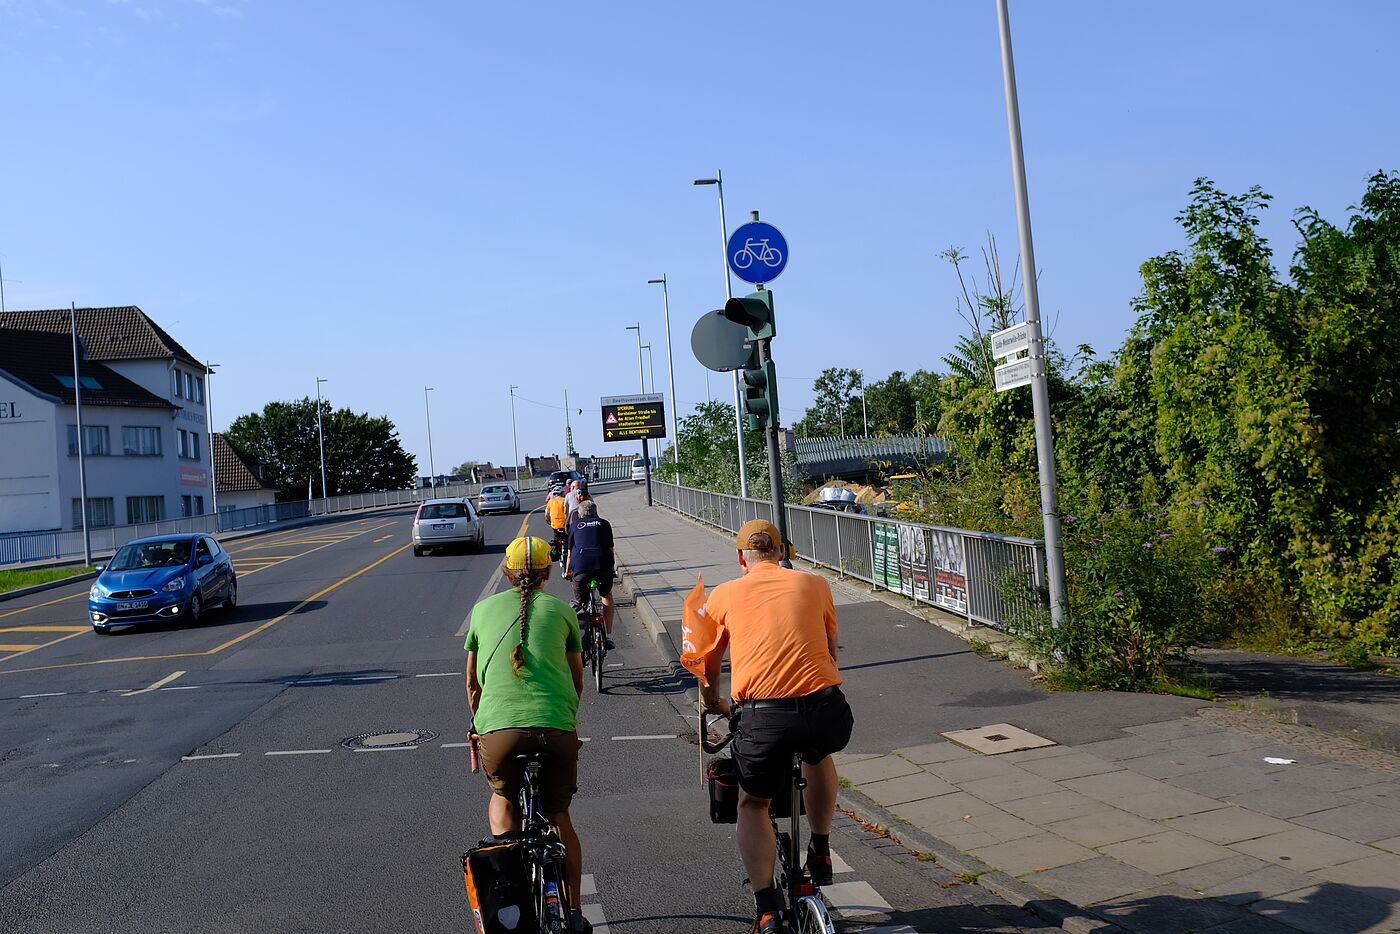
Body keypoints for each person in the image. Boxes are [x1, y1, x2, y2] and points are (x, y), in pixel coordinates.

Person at [697, 519, 854, 934]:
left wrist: (713, 701)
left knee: (752, 804)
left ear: (740, 558)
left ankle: (766, 907)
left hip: (765, 717)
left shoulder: (724, 594)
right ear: (782, 552)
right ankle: (819, 849)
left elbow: (708, 665)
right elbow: (830, 648)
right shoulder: (814, 584)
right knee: (818, 754)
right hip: (825, 710)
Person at [465, 536, 590, 934]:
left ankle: (512, 901)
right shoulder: (561, 611)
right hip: (556, 729)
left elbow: (473, 682)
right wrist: (564, 716)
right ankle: (572, 913)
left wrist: (481, 723)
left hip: (500, 733)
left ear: (506, 572)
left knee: (503, 800)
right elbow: (576, 679)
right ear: (548, 574)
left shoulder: (482, 611)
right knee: (558, 817)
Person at [564, 500, 617, 649]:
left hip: (581, 569)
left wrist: (568, 571)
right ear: (595, 513)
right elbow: (610, 548)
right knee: (606, 596)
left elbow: (569, 553)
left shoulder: (575, 525)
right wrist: (612, 569)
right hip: (603, 566)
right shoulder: (604, 523)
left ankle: (582, 638)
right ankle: (608, 636)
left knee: (581, 604)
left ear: (579, 515)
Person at [546, 485, 570, 554]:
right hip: (565, 525)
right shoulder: (565, 500)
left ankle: (556, 550)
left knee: (556, 538)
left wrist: (549, 521)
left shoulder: (550, 502)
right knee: (568, 538)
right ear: (562, 493)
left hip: (555, 525)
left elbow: (546, 514)